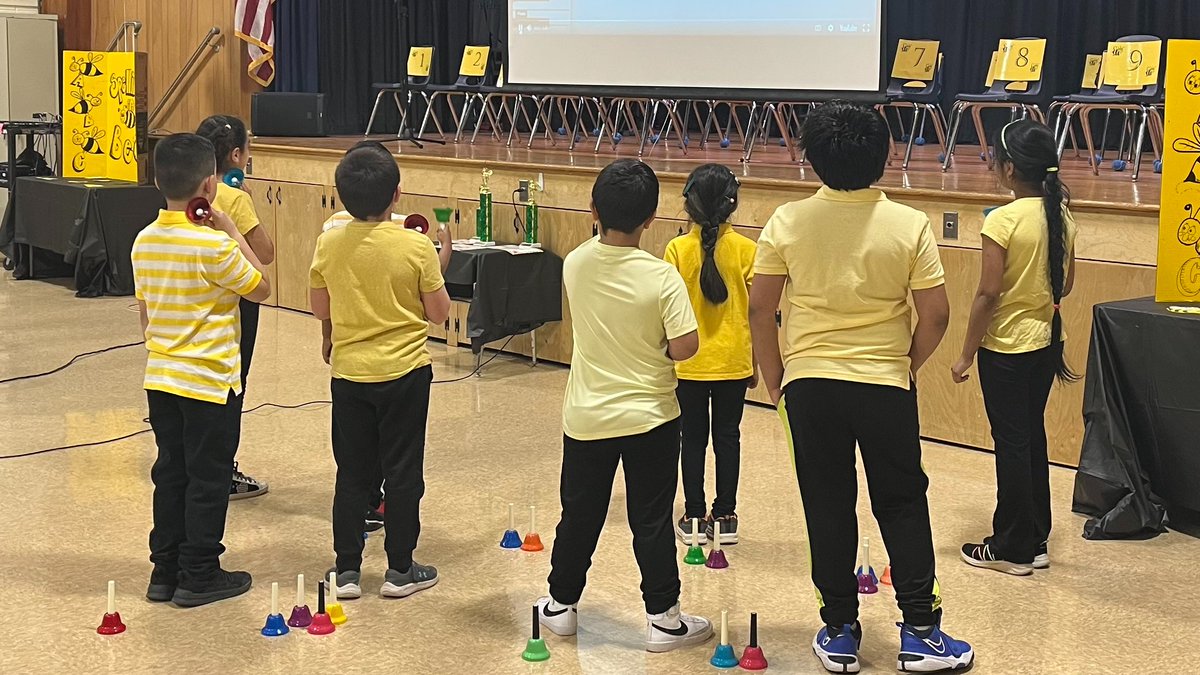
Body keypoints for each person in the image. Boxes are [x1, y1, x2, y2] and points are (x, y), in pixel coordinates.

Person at [748, 101, 973, 673]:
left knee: (827, 504)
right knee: (901, 502)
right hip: (884, 382)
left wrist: (777, 383)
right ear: (886, 156)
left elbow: (760, 309)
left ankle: (841, 630)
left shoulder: (785, 221)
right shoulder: (909, 223)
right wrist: (904, 364)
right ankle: (922, 632)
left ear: (810, 158)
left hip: (809, 385)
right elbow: (938, 315)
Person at [535, 159, 712, 653]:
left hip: (588, 417)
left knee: (580, 514)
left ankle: (561, 605)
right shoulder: (663, 278)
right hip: (652, 418)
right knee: (650, 519)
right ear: (652, 218)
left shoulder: (575, 262)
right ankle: (664, 620)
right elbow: (686, 347)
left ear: (592, 209)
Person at [310, 142, 452, 600]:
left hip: (350, 374)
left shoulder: (329, 241)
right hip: (405, 372)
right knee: (403, 471)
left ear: (340, 196)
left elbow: (319, 308)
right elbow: (438, 313)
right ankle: (400, 570)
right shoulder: (415, 245)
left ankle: (347, 571)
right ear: (397, 195)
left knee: (351, 472)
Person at [133, 134, 270, 607]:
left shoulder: (144, 240)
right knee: (208, 478)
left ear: (157, 182)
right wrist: (232, 232)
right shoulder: (215, 247)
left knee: (171, 472)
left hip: (162, 379)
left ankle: (163, 571)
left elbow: (146, 315)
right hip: (209, 382)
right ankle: (200, 574)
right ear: (210, 186)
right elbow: (261, 287)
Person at [951, 119, 1078, 576]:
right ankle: (1034, 539)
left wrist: (966, 353)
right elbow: (1066, 281)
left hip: (1006, 348)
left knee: (1011, 444)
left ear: (1008, 169)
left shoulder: (1001, 220)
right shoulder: (1060, 213)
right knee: (1031, 438)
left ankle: (1011, 548)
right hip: (1046, 342)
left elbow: (987, 294)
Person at [663, 163, 757, 546]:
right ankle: (726, 513)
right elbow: (758, 311)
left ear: (689, 204)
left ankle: (694, 512)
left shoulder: (677, 249)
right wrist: (753, 362)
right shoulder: (748, 250)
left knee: (692, 439)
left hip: (689, 365)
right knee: (728, 437)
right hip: (734, 363)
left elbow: (666, 310)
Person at [196, 115, 276, 502]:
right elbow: (265, 254)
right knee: (231, 386)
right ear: (235, 155)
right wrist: (244, 204)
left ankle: (193, 466)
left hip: (191, 298)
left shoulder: (185, 190)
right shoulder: (235, 197)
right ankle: (223, 472)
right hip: (236, 304)